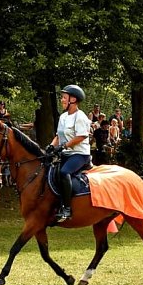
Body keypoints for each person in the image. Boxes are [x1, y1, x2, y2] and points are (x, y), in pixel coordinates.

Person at [45, 85, 91, 223]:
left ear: (73, 99)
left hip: (80, 154)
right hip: (66, 153)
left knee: (64, 172)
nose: (62, 100)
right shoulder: (63, 116)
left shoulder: (80, 116)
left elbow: (81, 136)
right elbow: (58, 136)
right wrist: (51, 146)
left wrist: (64, 146)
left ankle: (67, 209)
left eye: (64, 98)